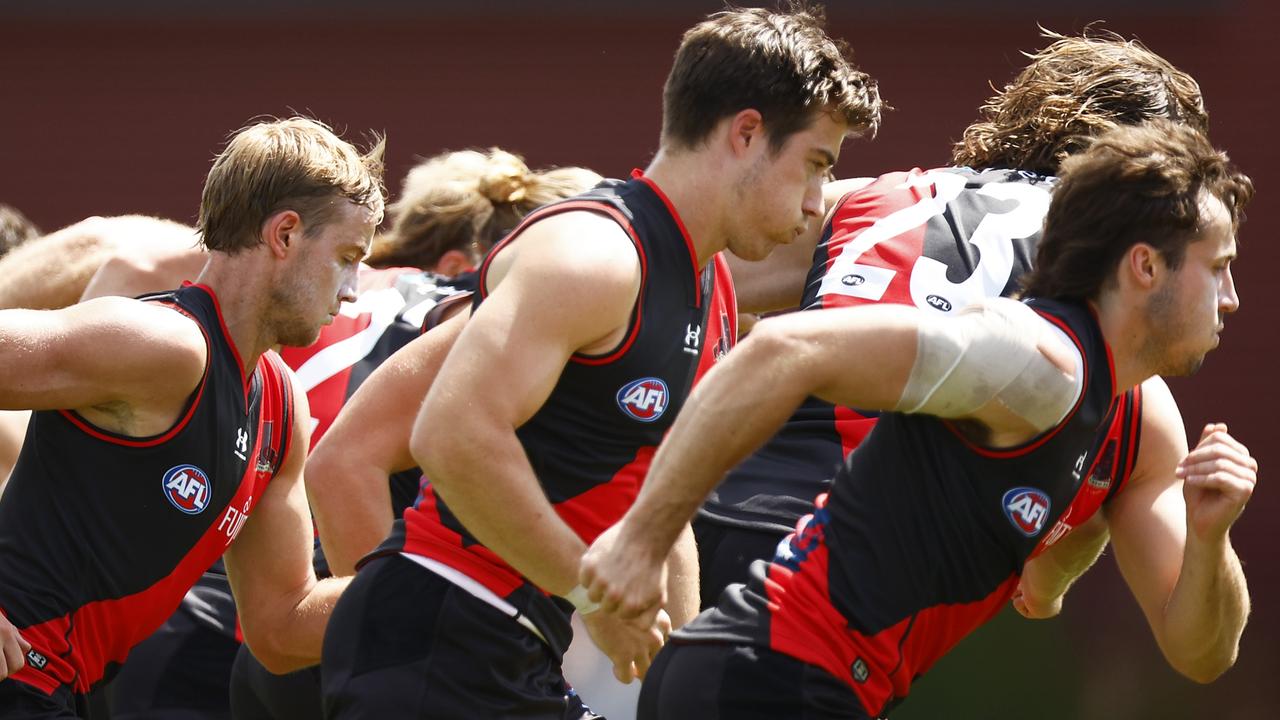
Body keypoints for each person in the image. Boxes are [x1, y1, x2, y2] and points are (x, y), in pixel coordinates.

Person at [580, 120, 1255, 718]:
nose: (1231, 298)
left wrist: (1207, 535)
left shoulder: (1104, 399)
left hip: (794, 678)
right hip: (772, 675)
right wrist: (642, 539)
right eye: (1217, 268)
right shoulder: (1037, 359)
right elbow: (782, 349)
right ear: (1144, 265)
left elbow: (1200, 651)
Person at [317, 5, 883, 718]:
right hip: (436, 637)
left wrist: (674, 665)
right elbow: (452, 435)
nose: (817, 201)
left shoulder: (710, 288)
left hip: (511, 648)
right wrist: (593, 594)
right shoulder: (594, 257)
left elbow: (661, 505)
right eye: (815, 164)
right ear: (746, 133)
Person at [694, 30, 1213, 610]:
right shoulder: (1111, 282)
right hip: (849, 558)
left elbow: (689, 265)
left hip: (721, 514)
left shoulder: (878, 195)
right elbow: (1177, 637)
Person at [0, 116, 385, 718]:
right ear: (285, 234)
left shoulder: (281, 408)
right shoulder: (162, 344)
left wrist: (438, 574)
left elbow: (281, 628)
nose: (353, 289)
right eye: (347, 256)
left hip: (55, 692)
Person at [229, 149, 602, 720]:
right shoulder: (491, 312)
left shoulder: (337, 284)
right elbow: (343, 465)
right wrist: (393, 651)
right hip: (341, 627)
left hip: (268, 618)